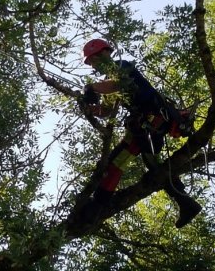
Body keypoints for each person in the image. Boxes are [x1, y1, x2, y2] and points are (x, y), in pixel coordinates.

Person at [80, 39, 201, 228]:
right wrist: (92, 109)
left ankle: (97, 207)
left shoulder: (121, 66)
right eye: (91, 64)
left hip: (153, 119)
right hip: (146, 125)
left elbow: (117, 84)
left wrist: (92, 87)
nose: (94, 66)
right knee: (153, 165)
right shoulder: (108, 80)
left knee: (115, 162)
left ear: (104, 53)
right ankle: (186, 203)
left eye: (93, 61)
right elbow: (108, 111)